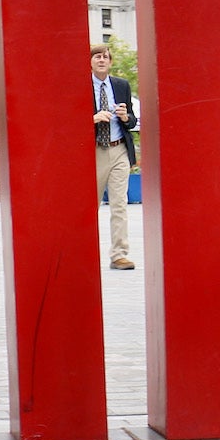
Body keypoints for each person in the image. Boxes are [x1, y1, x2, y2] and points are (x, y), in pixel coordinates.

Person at [90, 42, 137, 269]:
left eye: (105, 57)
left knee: (119, 204)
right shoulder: (81, 86)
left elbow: (133, 121)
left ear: (110, 62)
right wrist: (93, 118)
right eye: (97, 56)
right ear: (90, 61)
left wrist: (126, 117)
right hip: (94, 151)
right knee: (90, 206)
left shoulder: (121, 85)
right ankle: (84, 252)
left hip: (119, 149)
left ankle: (119, 254)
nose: (101, 60)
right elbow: (67, 122)